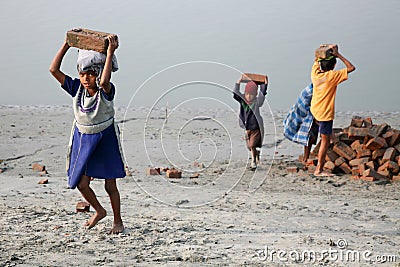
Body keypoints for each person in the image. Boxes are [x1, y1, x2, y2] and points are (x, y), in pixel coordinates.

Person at [49, 35, 125, 234]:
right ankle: (99, 211)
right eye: (82, 74)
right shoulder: (77, 89)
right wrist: (67, 44)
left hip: (105, 139)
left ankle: (118, 221)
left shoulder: (105, 91)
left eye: (90, 74)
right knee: (81, 183)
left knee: (110, 185)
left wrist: (110, 53)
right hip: (83, 138)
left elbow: (105, 80)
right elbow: (53, 70)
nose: (85, 78)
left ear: (98, 73)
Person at [310, 44, 355, 176]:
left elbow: (316, 59)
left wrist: (322, 49)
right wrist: (338, 54)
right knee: (325, 141)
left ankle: (326, 133)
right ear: (334, 66)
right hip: (325, 114)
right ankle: (319, 169)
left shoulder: (315, 74)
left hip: (315, 109)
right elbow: (351, 68)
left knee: (324, 131)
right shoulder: (332, 77)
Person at [233, 74, 268, 170]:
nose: (249, 96)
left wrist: (265, 84)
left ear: (255, 94)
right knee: (249, 146)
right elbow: (235, 92)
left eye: (251, 94)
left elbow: (262, 94)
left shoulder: (257, 102)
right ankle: (256, 154)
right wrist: (239, 81)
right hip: (246, 127)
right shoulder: (242, 100)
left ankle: (253, 162)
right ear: (245, 94)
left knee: (252, 145)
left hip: (256, 127)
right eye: (247, 94)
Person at [283, 83, 319, 165]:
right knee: (309, 136)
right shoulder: (310, 91)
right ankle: (306, 158)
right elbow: (303, 105)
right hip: (306, 113)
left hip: (313, 112)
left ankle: (306, 157)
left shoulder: (320, 88)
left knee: (311, 137)